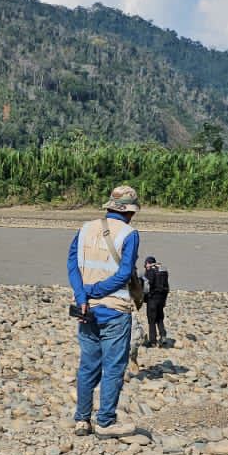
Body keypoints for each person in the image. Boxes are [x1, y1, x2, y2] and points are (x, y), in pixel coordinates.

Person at [68, 185, 142, 437]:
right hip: (115, 310)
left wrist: (83, 295)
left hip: (86, 309)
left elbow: (72, 266)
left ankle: (81, 420)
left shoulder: (84, 229)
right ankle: (106, 422)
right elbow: (124, 274)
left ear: (109, 206)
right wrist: (97, 291)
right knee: (113, 366)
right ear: (130, 212)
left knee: (88, 365)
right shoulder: (130, 234)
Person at [142, 256, 170, 347]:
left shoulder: (150, 271)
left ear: (148, 263)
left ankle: (152, 341)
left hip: (152, 299)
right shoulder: (163, 271)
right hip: (162, 299)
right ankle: (163, 336)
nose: (145, 266)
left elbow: (146, 287)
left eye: (146, 264)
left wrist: (143, 297)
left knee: (151, 320)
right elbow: (166, 286)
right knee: (160, 318)